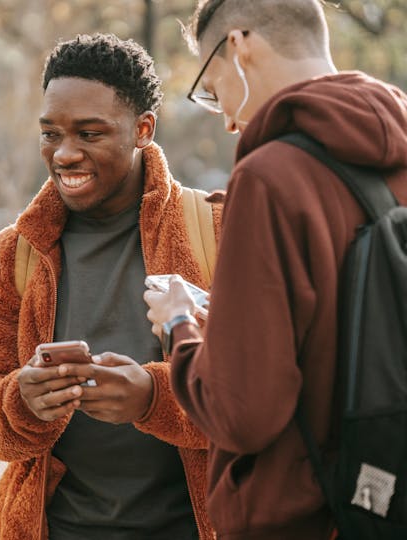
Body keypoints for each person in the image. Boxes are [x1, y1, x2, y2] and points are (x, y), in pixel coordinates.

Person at [144, 1, 407, 538]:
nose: (227, 119)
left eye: (214, 91)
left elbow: (243, 412)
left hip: (301, 514)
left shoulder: (270, 177)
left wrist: (179, 325)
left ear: (239, 46)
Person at [0, 33, 222, 540]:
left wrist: (153, 398)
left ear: (143, 129)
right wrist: (23, 400)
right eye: (51, 133)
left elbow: (265, 395)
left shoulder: (218, 233)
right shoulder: (8, 258)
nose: (65, 154)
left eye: (90, 134)